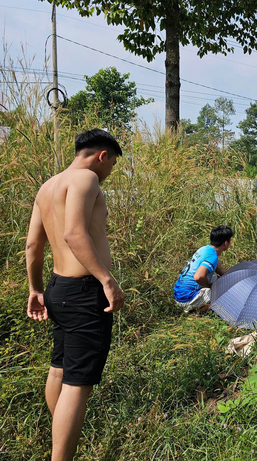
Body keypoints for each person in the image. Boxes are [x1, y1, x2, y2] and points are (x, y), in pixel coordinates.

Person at [25, 128, 125, 461]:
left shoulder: (47, 186)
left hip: (58, 288)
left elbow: (32, 246)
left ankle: (60, 439)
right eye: (112, 165)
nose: (109, 173)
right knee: (77, 382)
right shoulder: (86, 180)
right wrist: (106, 280)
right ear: (102, 156)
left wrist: (35, 288)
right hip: (84, 291)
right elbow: (73, 233)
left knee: (59, 369)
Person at [173, 225, 233, 313]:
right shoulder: (212, 257)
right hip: (186, 298)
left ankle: (196, 306)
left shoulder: (205, 249)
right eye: (230, 240)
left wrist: (235, 277)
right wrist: (211, 286)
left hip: (179, 294)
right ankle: (197, 312)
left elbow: (220, 270)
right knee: (222, 291)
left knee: (220, 281)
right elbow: (198, 277)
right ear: (225, 243)